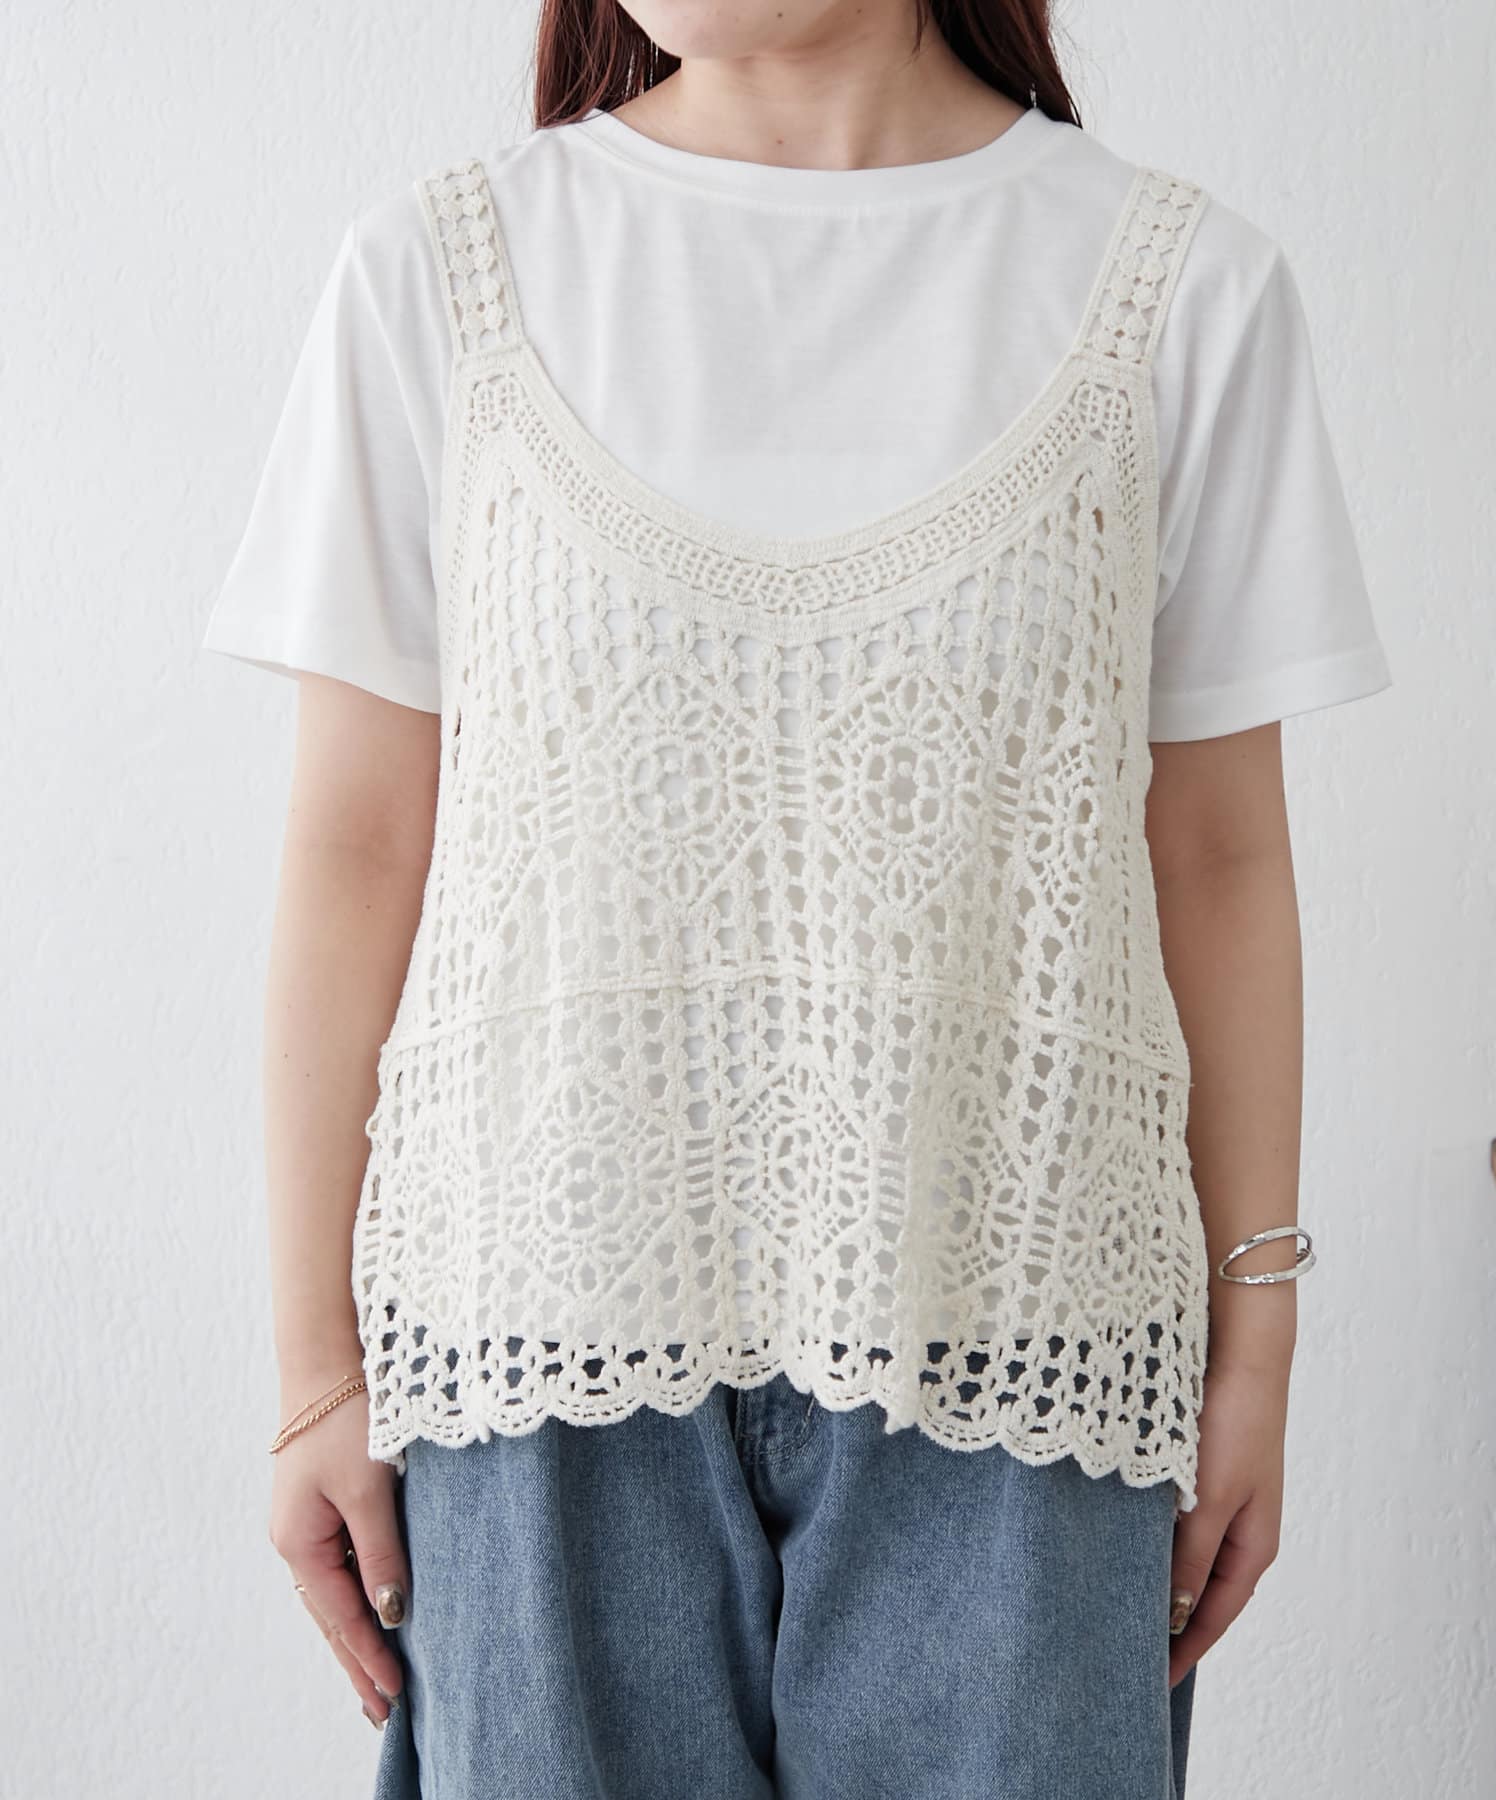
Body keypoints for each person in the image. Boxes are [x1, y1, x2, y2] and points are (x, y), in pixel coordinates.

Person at [201, 3, 1393, 1795]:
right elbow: (358, 846)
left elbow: (1219, 857)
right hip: (533, 1345)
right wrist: (313, 1374)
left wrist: (1258, 1347)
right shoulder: (438, 276)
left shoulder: (1182, 291)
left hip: (1031, 1348)